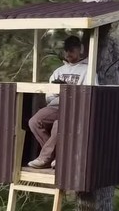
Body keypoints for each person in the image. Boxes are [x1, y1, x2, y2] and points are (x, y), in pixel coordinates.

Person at [27, 35, 90, 169]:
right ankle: (56, 156)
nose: (69, 53)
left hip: (74, 107)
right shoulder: (58, 72)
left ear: (80, 50)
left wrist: (71, 92)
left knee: (58, 124)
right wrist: (55, 92)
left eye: (72, 50)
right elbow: (49, 97)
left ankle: (44, 158)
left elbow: (91, 94)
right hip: (56, 105)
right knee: (34, 121)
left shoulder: (88, 71)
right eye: (66, 50)